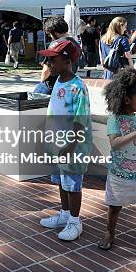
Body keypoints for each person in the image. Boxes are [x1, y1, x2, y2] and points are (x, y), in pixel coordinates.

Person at [97, 68, 136, 259]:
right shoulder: (114, 119)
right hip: (118, 174)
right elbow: (115, 144)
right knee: (114, 207)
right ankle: (109, 233)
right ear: (126, 100)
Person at [38, 39, 92, 241]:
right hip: (57, 144)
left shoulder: (78, 87)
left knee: (72, 184)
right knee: (62, 181)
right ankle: (65, 214)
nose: (48, 64)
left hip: (72, 146)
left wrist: (70, 146)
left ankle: (75, 221)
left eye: (53, 60)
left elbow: (80, 120)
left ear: (67, 60)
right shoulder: (58, 81)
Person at [33, 16, 80, 95]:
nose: (51, 37)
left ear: (55, 32)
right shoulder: (76, 44)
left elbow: (46, 70)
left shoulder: (55, 44)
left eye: (50, 34)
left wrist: (41, 82)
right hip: (68, 85)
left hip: (51, 86)